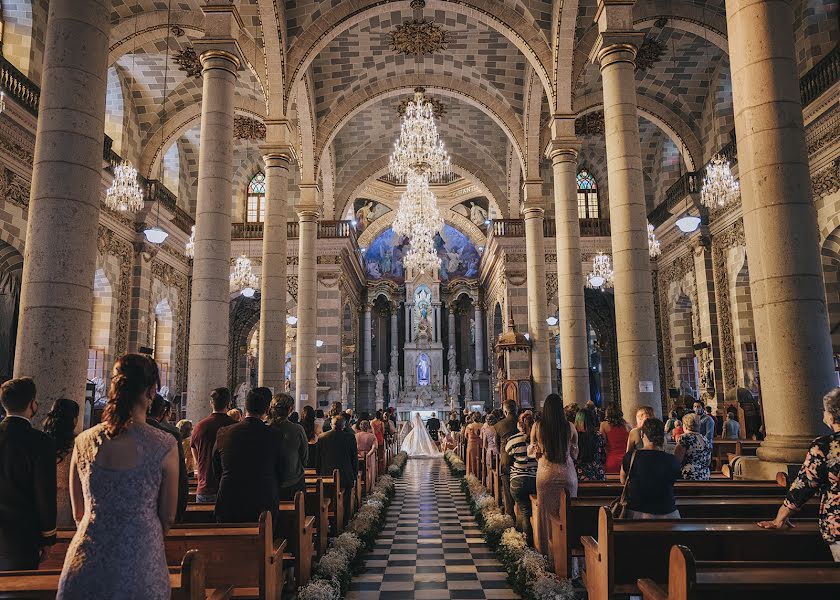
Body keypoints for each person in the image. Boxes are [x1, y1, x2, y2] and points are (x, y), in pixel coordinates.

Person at [57, 354, 179, 599]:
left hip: (88, 555)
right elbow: (167, 516)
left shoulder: (83, 441)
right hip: (141, 558)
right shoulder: (165, 444)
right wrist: (140, 532)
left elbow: (78, 512)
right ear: (152, 391)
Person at [758, 388, 840, 561]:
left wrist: (781, 517)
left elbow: (805, 484)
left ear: (831, 416)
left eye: (824, 411)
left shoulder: (825, 446)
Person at [213, 387, 292, 533]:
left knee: (228, 549)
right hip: (263, 500)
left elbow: (216, 467)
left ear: (245, 407)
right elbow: (283, 471)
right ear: (267, 409)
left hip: (230, 498)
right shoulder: (275, 435)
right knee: (262, 548)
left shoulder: (224, 433)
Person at [0, 378, 56, 571]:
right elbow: (45, 494)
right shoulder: (41, 442)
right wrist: (48, 536)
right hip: (21, 538)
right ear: (33, 404)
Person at [530, 393, 577, 567]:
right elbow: (574, 453)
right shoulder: (569, 427)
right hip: (567, 475)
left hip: (546, 474)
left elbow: (533, 451)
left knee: (545, 514)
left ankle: (547, 558)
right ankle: (568, 563)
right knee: (567, 514)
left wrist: (542, 455)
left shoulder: (538, 426)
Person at [620, 418, 682, 520]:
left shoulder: (631, 457)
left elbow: (623, 480)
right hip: (667, 514)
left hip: (637, 513)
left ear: (642, 434)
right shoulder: (672, 460)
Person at [190, 387, 236, 504]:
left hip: (205, 487)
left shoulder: (199, 427)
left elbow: (196, 459)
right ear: (229, 404)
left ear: (211, 403)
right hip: (228, 488)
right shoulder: (235, 427)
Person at [148, 394, 188, 522]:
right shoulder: (170, 436)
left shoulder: (122, 433)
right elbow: (180, 475)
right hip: (162, 505)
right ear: (162, 412)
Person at [43, 398, 80, 529]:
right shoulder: (77, 445)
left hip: (42, 501)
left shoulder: (42, 441)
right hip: (67, 503)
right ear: (74, 419)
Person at [266, 393, 309, 499]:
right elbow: (304, 457)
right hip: (293, 482)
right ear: (290, 409)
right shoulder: (297, 429)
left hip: (269, 483)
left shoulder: (265, 429)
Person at [506, 411, 537, 545]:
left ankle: (527, 543)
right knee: (536, 511)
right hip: (536, 479)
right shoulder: (539, 439)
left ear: (519, 425)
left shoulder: (513, 440)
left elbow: (507, 456)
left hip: (518, 479)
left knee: (525, 511)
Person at [316, 415, 358, 514]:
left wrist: (319, 473)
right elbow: (354, 457)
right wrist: (354, 474)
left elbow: (318, 458)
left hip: (327, 475)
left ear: (331, 425)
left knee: (328, 497)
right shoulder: (350, 437)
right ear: (344, 426)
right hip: (345, 475)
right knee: (346, 500)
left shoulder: (322, 437)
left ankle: (328, 519)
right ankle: (345, 519)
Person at [495, 400, 520, 518]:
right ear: (516, 409)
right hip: (524, 459)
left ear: (505, 411)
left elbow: (496, 445)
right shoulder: (522, 421)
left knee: (507, 485)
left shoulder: (499, 425)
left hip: (506, 459)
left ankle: (510, 513)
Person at [674, 413, 712, 480]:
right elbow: (708, 461)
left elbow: (677, 460)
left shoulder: (685, 438)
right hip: (705, 475)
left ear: (685, 425)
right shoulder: (705, 439)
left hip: (689, 476)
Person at [575, 408, 606, 481]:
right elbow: (603, 457)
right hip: (598, 475)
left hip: (580, 476)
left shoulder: (575, 437)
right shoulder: (598, 436)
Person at [600, 404, 631, 474]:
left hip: (611, 459)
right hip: (626, 460)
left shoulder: (604, 425)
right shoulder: (628, 425)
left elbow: (603, 443)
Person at [464, 412, 483, 476]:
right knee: (480, 459)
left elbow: (466, 436)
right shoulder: (483, 426)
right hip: (480, 445)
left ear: (473, 418)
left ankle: (471, 475)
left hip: (471, 445)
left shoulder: (469, 426)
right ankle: (479, 474)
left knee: (471, 460)